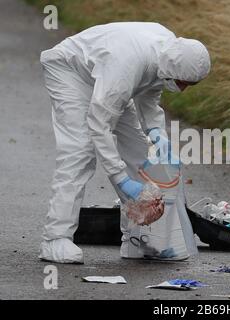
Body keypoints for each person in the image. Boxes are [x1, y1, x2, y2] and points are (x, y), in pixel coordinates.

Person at [38, 22, 211, 264]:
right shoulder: (128, 65)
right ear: (173, 67)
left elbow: (149, 93)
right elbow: (99, 125)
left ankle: (140, 237)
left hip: (106, 77)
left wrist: (157, 133)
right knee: (80, 152)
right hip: (70, 70)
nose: (182, 90)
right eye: (182, 83)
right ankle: (55, 239)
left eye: (189, 86)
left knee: (141, 153)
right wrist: (121, 179)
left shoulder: (168, 52)